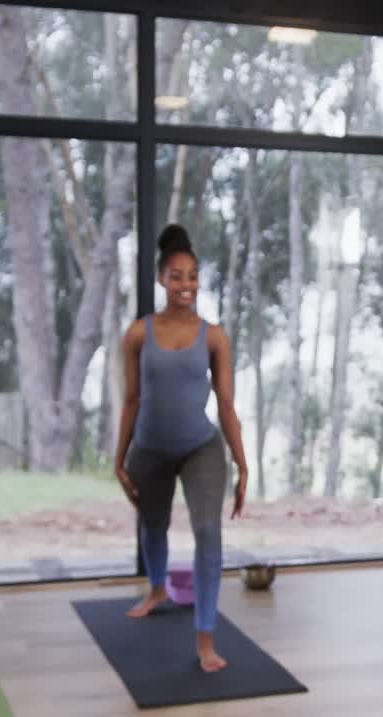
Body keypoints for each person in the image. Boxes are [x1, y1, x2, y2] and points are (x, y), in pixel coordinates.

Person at [113, 223, 249, 673]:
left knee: (209, 534)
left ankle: (206, 639)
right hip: (150, 446)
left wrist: (243, 464)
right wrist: (119, 457)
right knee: (153, 525)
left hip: (200, 447)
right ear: (161, 279)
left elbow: (226, 405)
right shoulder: (137, 334)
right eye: (176, 275)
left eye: (192, 275)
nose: (185, 284)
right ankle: (157, 588)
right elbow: (131, 399)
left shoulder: (215, 337)